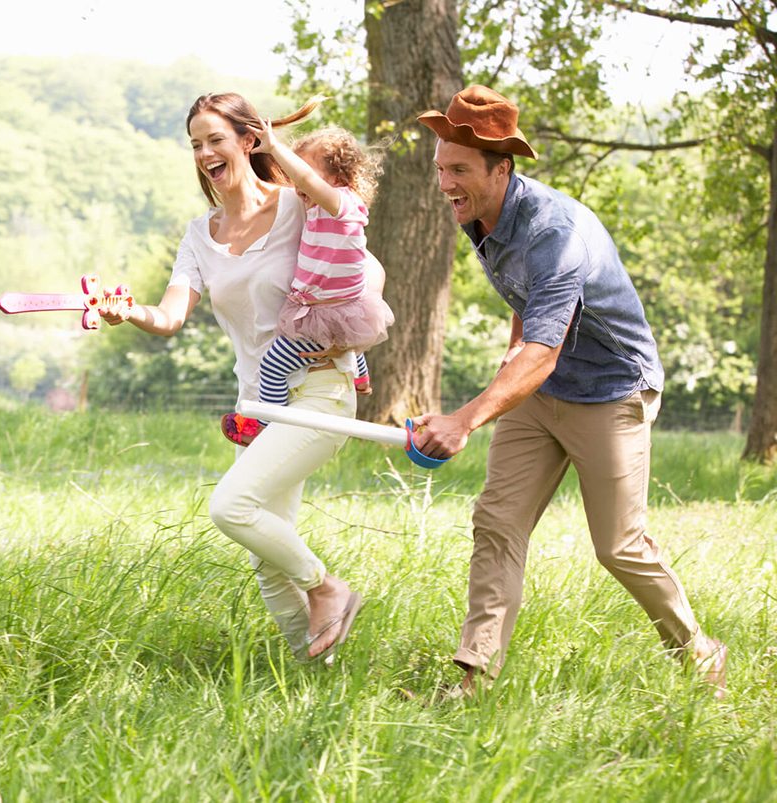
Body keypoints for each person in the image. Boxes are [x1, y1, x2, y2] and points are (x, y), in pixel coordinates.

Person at [411, 85, 726, 697]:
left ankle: (699, 649)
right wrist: (511, 358)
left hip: (610, 390)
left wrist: (464, 420)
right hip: (540, 389)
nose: (446, 182)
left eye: (459, 170)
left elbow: (545, 350)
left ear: (502, 170)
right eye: (440, 169)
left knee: (618, 546)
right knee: (497, 522)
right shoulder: (480, 213)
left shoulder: (556, 232)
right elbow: (527, 311)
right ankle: (472, 677)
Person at [100, 93, 371, 662]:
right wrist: (128, 311)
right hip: (260, 401)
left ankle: (327, 587)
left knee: (232, 507)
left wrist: (347, 329)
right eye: (196, 144)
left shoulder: (297, 203)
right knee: (268, 558)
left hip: (320, 388)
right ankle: (316, 674)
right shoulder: (201, 235)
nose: (204, 153)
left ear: (249, 141)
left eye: (214, 140)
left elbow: (360, 260)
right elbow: (170, 315)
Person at [220, 118, 395, 447]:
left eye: (305, 172)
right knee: (341, 325)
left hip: (326, 312)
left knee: (273, 365)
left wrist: (274, 147)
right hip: (330, 306)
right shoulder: (315, 208)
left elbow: (306, 180)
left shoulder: (342, 203)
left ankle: (265, 423)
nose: (297, 182)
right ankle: (359, 375)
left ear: (337, 176)